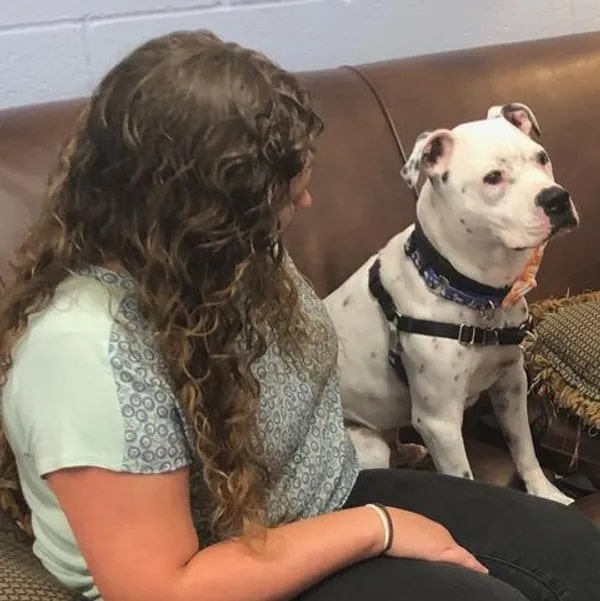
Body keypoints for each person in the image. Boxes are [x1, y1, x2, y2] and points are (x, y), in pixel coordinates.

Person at [0, 29, 598, 601]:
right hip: (229, 564)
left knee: (581, 556)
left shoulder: (228, 251)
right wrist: (379, 528)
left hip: (327, 494)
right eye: (278, 192)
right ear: (200, 206)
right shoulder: (84, 355)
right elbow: (161, 587)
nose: (304, 201)